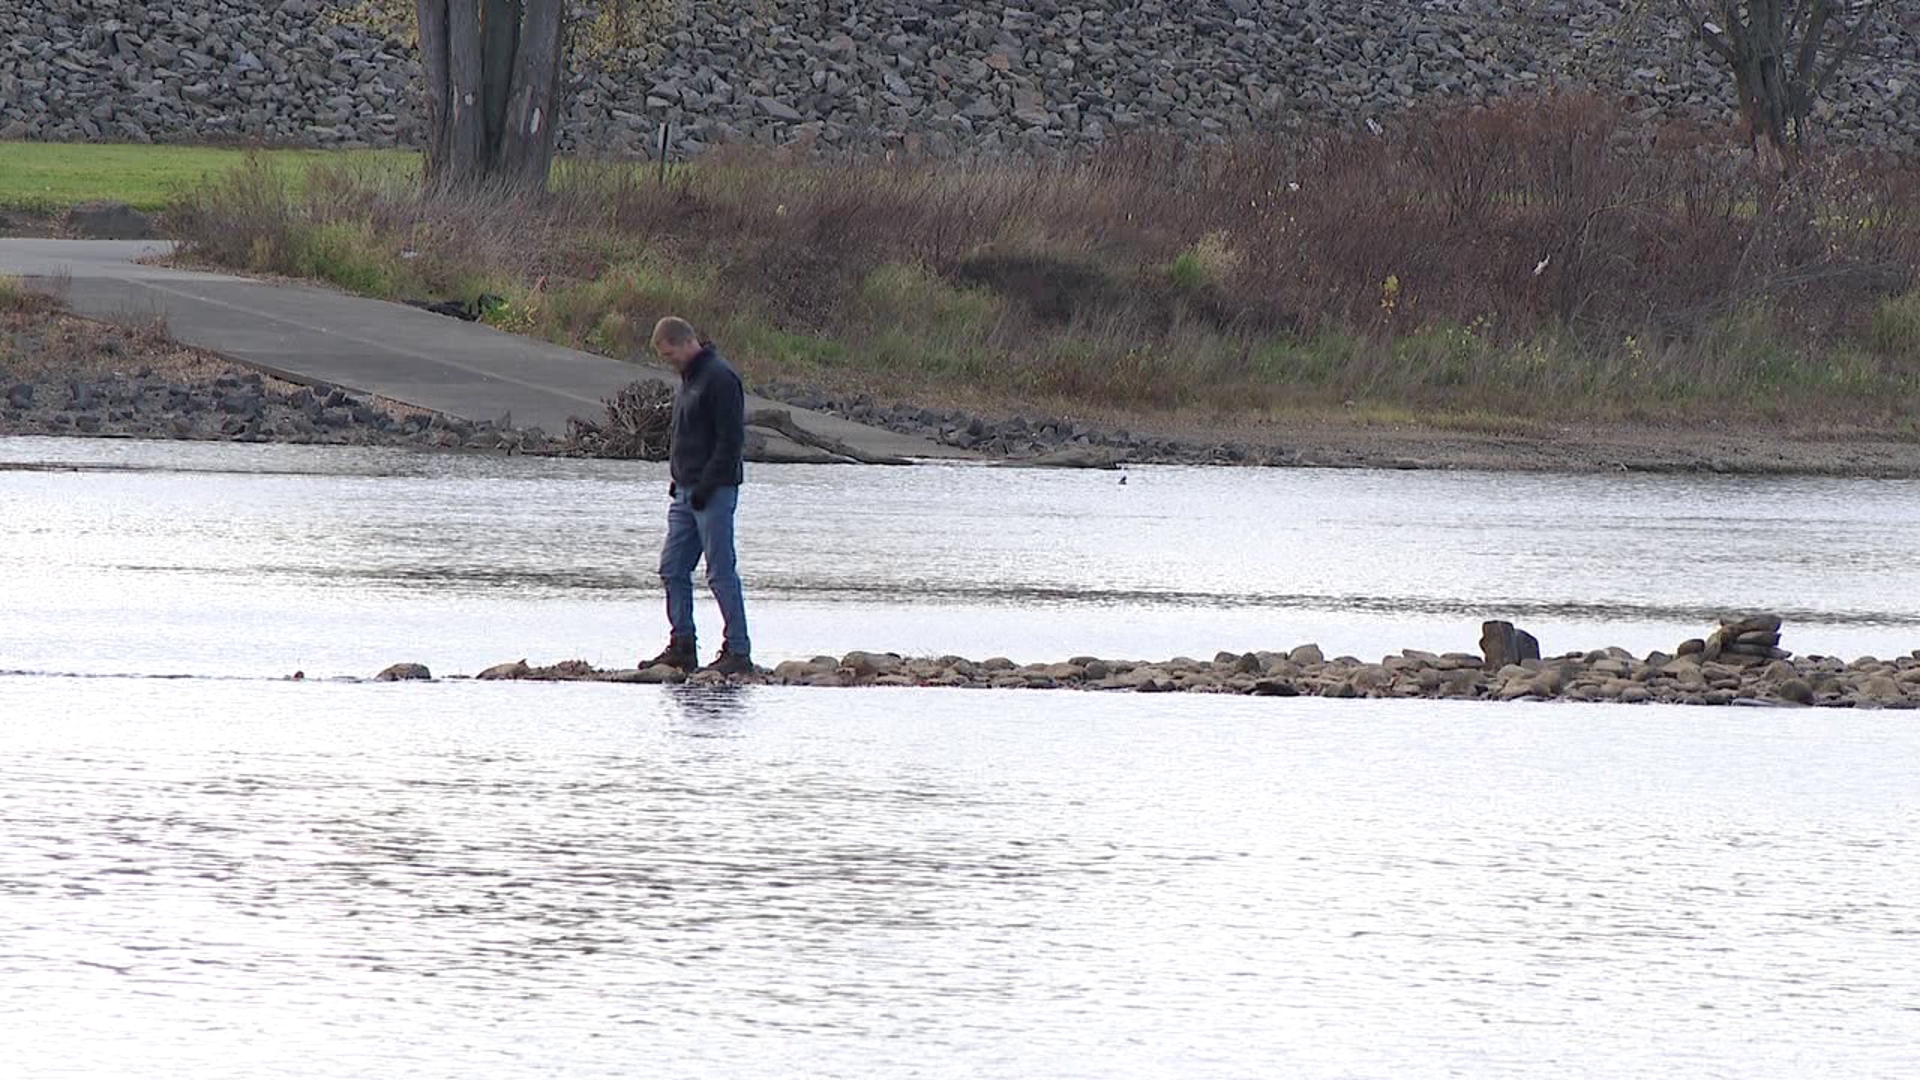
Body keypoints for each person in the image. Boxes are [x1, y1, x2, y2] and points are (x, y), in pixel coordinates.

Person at [643, 317, 753, 676]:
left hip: (715, 491)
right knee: (672, 568)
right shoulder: (688, 380)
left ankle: (737, 649)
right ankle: (682, 646)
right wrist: (680, 482)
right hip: (685, 492)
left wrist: (706, 486)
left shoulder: (720, 378)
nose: (668, 360)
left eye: (669, 353)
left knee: (720, 572)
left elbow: (730, 441)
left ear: (686, 343)